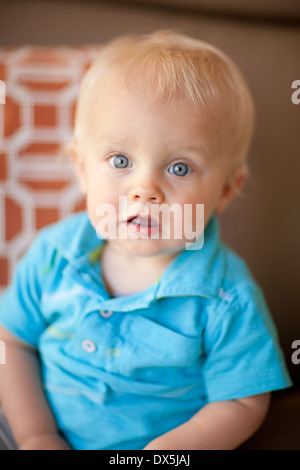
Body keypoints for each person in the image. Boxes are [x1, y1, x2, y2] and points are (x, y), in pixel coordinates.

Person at [0, 30, 292, 450]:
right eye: (121, 161)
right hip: (33, 427)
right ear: (82, 168)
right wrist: (36, 436)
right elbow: (12, 340)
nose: (145, 189)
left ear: (227, 190)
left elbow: (242, 401)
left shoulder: (227, 295)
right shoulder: (54, 255)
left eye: (179, 168)